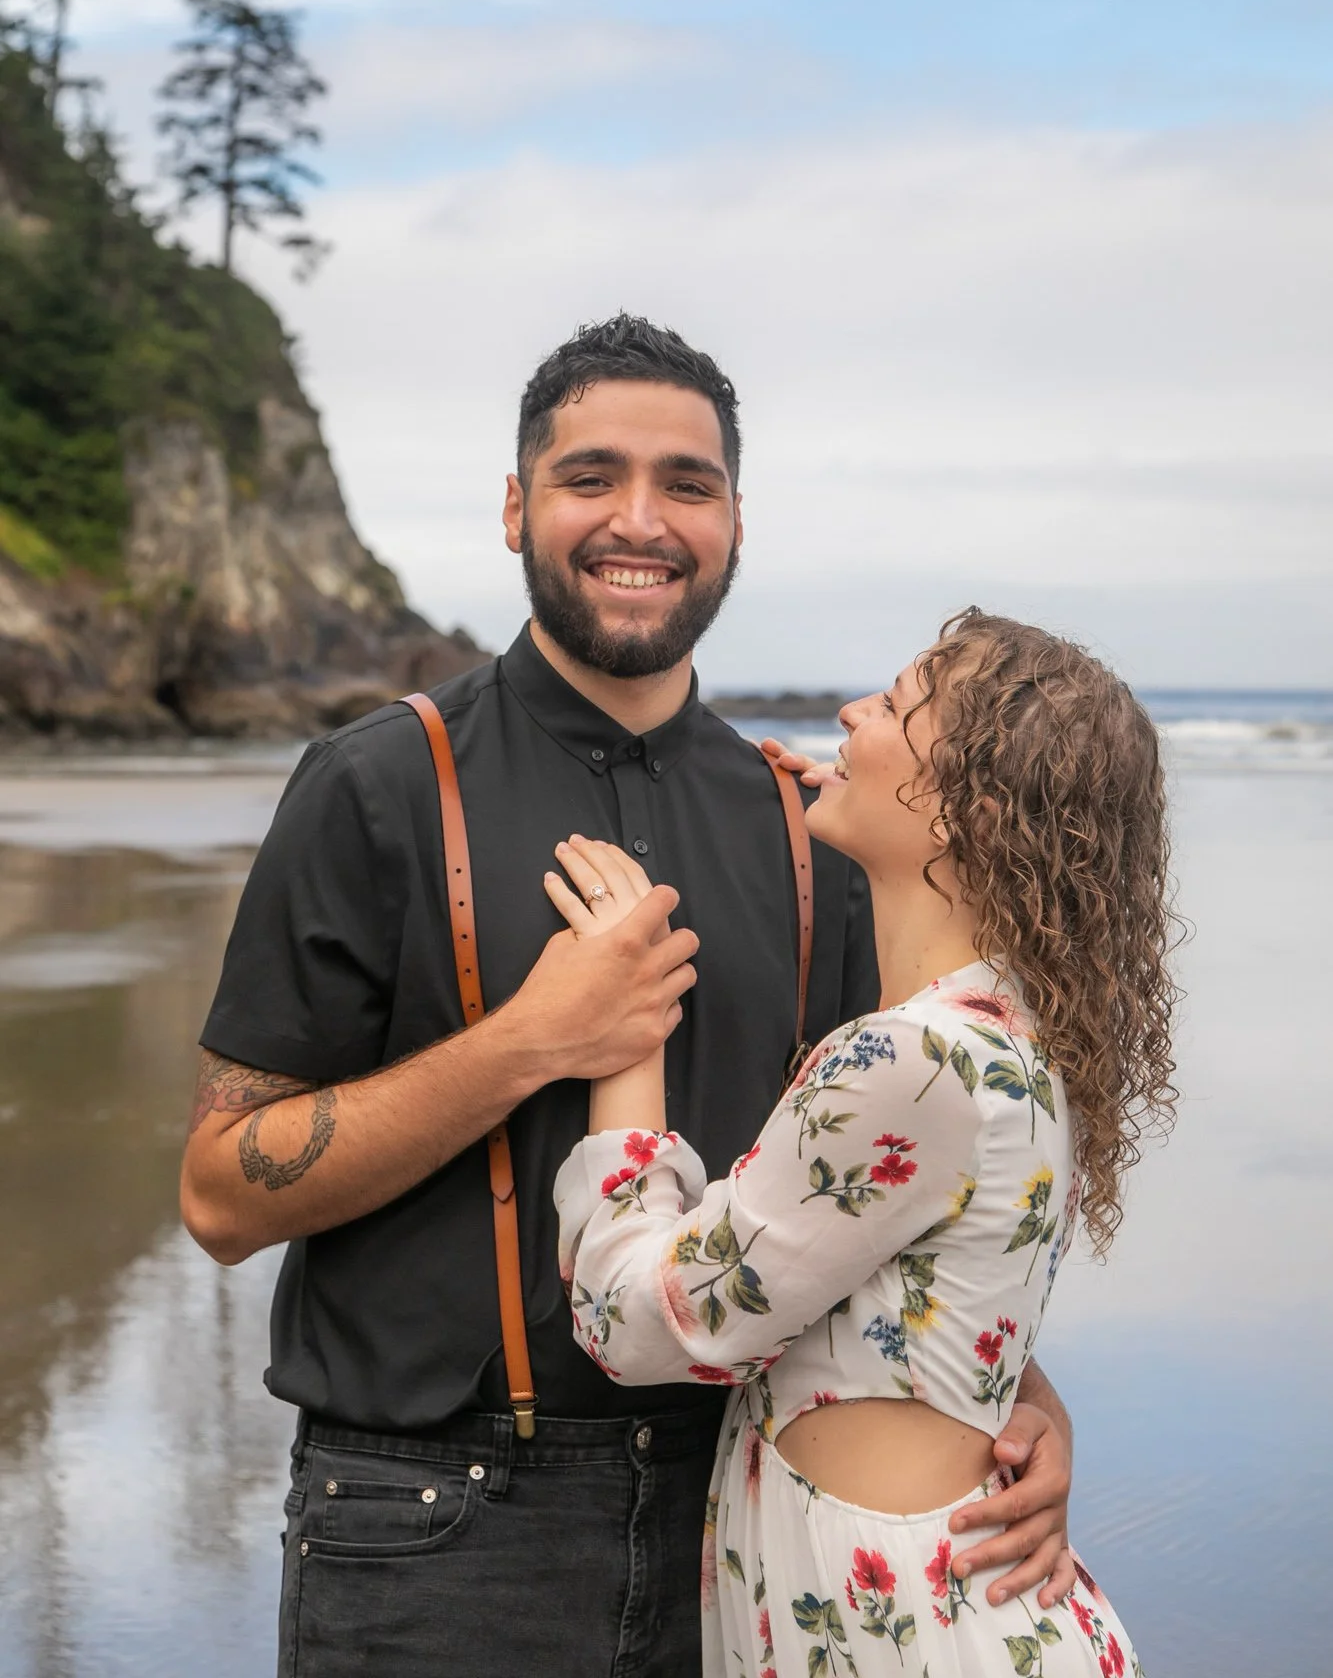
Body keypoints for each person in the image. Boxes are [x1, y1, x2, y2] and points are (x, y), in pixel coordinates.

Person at [180, 317, 1076, 1677]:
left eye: (687, 484)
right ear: (515, 508)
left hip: (754, 1529)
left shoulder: (817, 832)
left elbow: (882, 1184)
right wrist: (533, 1041)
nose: (640, 520)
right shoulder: (374, 786)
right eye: (590, 476)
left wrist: (1021, 1399)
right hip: (429, 1532)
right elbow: (221, 1194)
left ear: (734, 524)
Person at [550, 610, 1178, 1677]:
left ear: (967, 809)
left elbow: (638, 1324)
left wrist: (624, 1028)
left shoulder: (910, 1061)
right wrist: (840, 805)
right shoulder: (1011, 1034)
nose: (848, 713)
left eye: (891, 706)